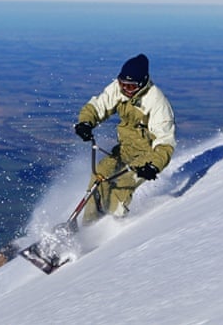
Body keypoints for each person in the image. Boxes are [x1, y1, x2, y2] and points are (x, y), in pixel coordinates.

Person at [74, 53, 176, 224]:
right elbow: (99, 106)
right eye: (122, 84)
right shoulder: (118, 89)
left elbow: (165, 142)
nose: (125, 90)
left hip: (148, 154)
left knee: (122, 185)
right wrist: (85, 123)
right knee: (99, 176)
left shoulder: (157, 102)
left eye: (130, 87)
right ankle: (87, 226)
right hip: (125, 148)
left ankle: (111, 229)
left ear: (142, 83)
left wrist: (153, 165)